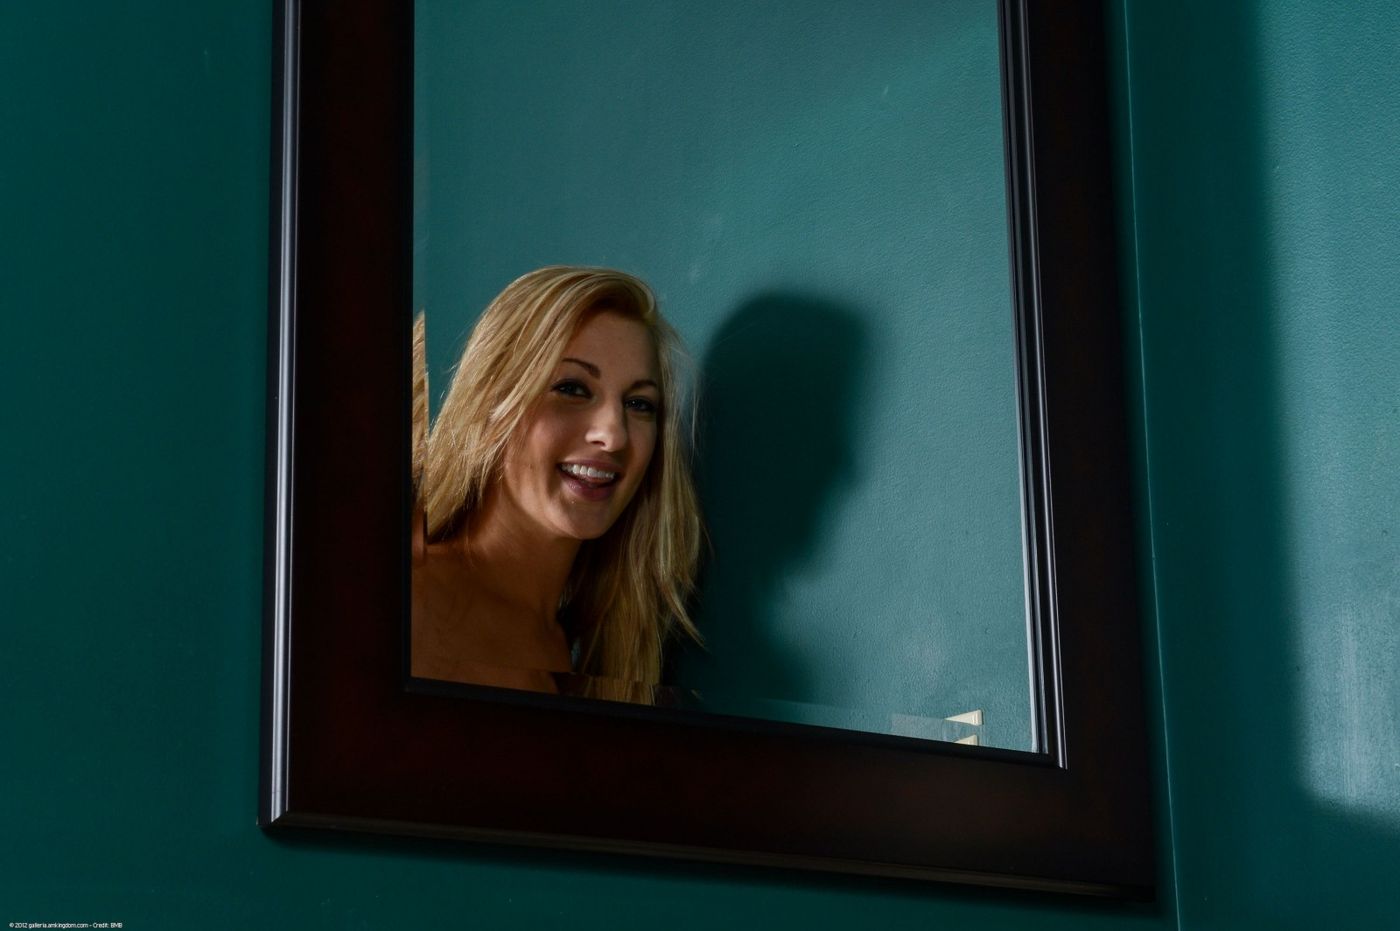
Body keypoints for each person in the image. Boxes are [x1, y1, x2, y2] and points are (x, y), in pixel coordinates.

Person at [411, 266, 702, 704]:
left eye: (639, 403)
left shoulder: (610, 655)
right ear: (491, 405)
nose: (614, 435)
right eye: (572, 388)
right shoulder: (413, 599)